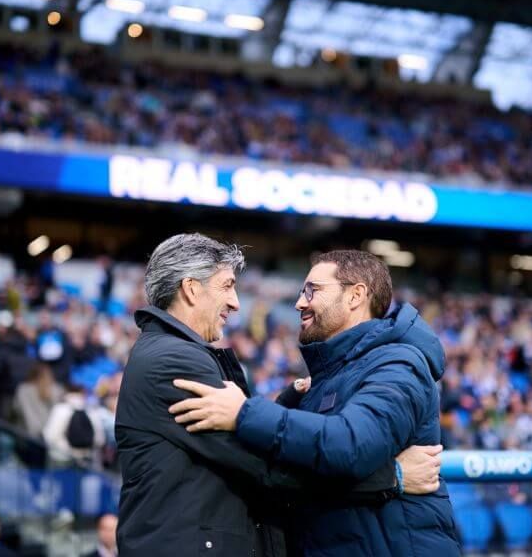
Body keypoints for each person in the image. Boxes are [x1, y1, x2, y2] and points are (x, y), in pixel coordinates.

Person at [115, 234, 443, 556]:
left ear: (356, 295)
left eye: (312, 291)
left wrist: (264, 409)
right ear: (190, 289)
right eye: (227, 285)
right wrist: (393, 476)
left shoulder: (395, 363)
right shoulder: (175, 359)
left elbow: (340, 445)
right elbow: (266, 465)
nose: (235, 301)